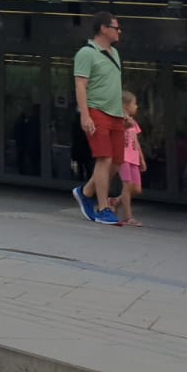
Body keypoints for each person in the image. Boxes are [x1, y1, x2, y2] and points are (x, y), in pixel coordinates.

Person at [71, 12, 125, 226]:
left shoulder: (115, 53)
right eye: (116, 27)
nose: (119, 31)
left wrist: (124, 114)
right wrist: (85, 114)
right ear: (104, 28)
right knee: (104, 159)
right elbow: (80, 85)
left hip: (116, 114)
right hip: (97, 110)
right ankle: (102, 208)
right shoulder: (87, 53)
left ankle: (85, 191)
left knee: (117, 162)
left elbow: (114, 86)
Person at [113, 90, 145, 226]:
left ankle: (114, 202)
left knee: (137, 189)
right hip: (123, 157)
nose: (136, 106)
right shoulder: (120, 121)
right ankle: (128, 217)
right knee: (127, 186)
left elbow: (136, 142)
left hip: (133, 158)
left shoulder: (133, 123)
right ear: (126, 106)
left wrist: (141, 159)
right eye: (134, 104)